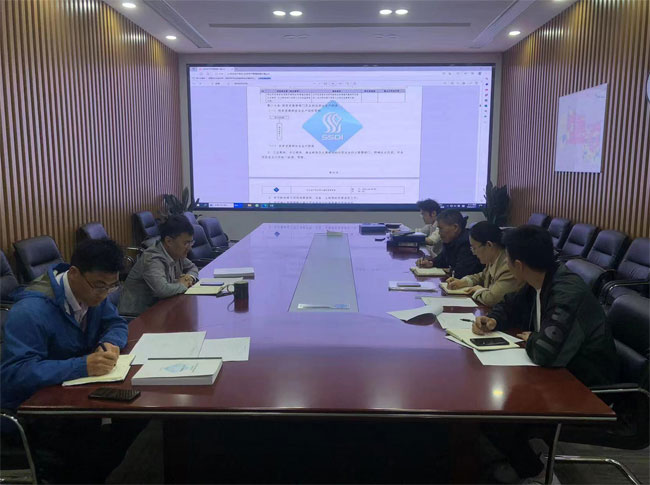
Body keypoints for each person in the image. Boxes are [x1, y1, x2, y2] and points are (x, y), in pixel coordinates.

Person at [472, 225, 618, 482]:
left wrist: (534, 339)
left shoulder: (566, 293)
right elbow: (510, 305)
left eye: (507, 259)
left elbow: (546, 353)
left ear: (518, 265)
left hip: (585, 385)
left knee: (492, 412)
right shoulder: (541, 279)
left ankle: (536, 474)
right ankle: (509, 461)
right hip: (560, 373)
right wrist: (494, 320)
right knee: (487, 404)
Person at [0, 239, 144, 483]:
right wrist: (82, 365)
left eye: (112, 286)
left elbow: (116, 322)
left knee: (136, 415)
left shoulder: (93, 294)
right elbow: (15, 374)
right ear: (74, 273)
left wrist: (110, 342)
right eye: (99, 286)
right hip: (33, 413)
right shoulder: (30, 311)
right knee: (99, 446)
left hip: (73, 396)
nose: (104, 294)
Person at [119, 214, 199, 315]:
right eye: (186, 243)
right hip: (137, 316)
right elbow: (162, 290)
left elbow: (192, 267)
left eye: (191, 242)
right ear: (169, 241)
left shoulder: (176, 253)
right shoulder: (152, 258)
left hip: (162, 309)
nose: (190, 247)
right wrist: (183, 285)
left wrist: (189, 278)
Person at [445, 222, 521, 307]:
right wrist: (463, 282)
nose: (473, 253)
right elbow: (482, 276)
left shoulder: (508, 266)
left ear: (489, 245)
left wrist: (478, 290)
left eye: (474, 248)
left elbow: (492, 299)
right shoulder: (493, 260)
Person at [416, 209, 483, 279]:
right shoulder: (450, 241)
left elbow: (461, 273)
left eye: (441, 229)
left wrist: (449, 270)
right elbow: (442, 259)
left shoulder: (467, 243)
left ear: (455, 227)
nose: (439, 233)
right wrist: (431, 263)